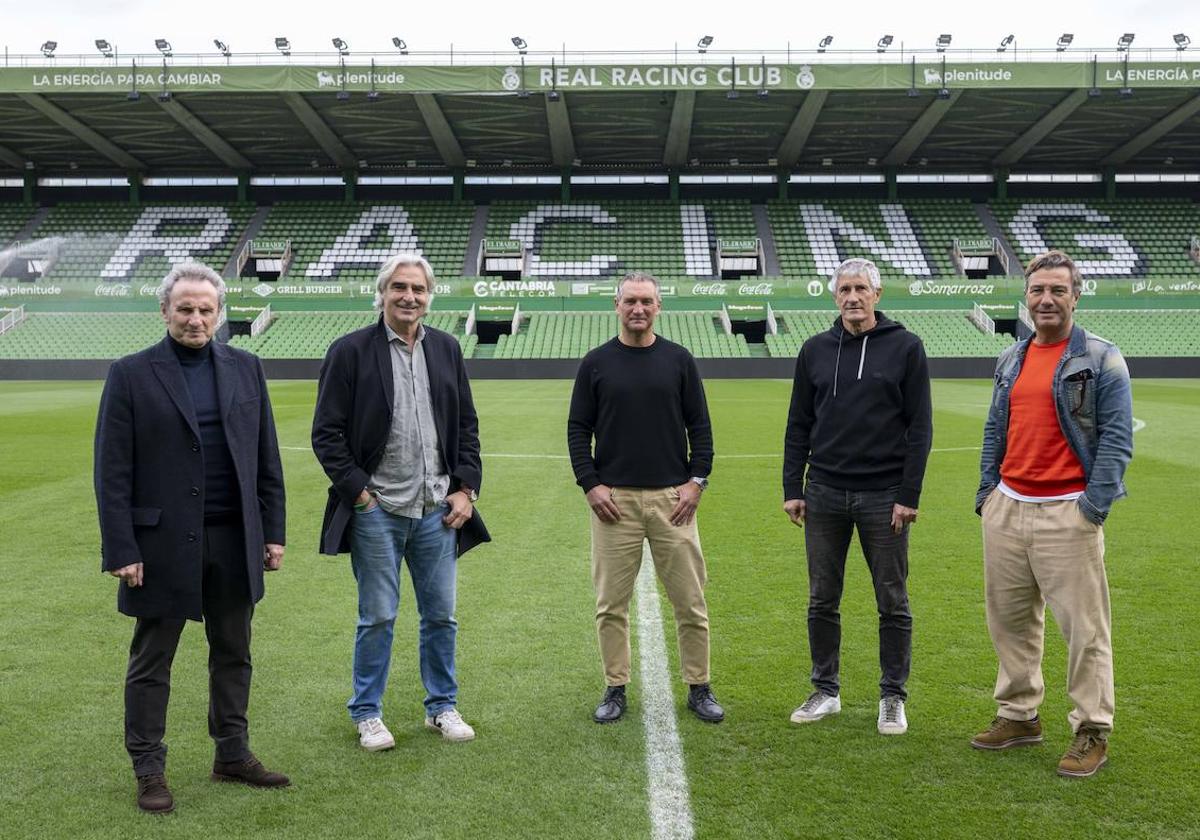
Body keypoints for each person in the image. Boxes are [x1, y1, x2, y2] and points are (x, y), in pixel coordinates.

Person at [94, 262, 289, 814]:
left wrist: (271, 532)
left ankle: (232, 753)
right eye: (185, 308)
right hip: (159, 545)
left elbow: (266, 459)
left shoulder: (246, 369)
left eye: (206, 309)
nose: (196, 318)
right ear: (165, 311)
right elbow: (111, 470)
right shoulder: (130, 373)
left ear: (220, 313)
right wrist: (122, 547)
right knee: (152, 659)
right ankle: (149, 768)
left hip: (234, 539)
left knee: (234, 652)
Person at [312, 253, 486, 752]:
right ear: (382, 293)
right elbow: (326, 434)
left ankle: (441, 707)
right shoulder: (350, 351)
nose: (409, 296)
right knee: (379, 616)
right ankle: (368, 713)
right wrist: (360, 494)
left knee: (441, 616)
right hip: (378, 511)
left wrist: (466, 487)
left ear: (429, 297)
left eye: (418, 289)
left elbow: (467, 427)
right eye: (399, 288)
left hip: (437, 509)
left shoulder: (448, 349)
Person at [971, 250, 1132, 778]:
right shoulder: (1012, 358)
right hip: (1009, 509)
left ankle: (1092, 728)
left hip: (1069, 512)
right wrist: (987, 495)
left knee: (1085, 631)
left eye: (1057, 291)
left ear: (1075, 296)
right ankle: (1019, 715)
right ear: (1026, 296)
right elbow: (996, 430)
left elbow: (1115, 442)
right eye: (1038, 290)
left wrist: (1092, 508)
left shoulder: (1103, 358)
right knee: (1011, 624)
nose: (1046, 299)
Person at [782, 257, 932, 736]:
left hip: (883, 496)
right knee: (822, 598)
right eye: (844, 289)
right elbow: (798, 424)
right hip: (823, 492)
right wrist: (793, 487)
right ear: (835, 296)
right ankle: (825, 690)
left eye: (860, 289)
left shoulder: (906, 348)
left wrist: (908, 494)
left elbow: (920, 427)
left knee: (892, 599)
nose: (852, 297)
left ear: (877, 294)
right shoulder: (814, 351)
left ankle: (892, 697)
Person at [567, 270, 724, 725]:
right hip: (613, 502)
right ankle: (615, 688)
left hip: (673, 501)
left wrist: (697, 482)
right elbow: (579, 428)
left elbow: (702, 427)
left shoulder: (678, 360)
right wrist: (590, 483)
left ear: (659, 307)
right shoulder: (596, 363)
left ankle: (699, 686)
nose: (638, 309)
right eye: (630, 301)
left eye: (646, 302)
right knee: (610, 605)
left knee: (691, 603)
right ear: (616, 306)